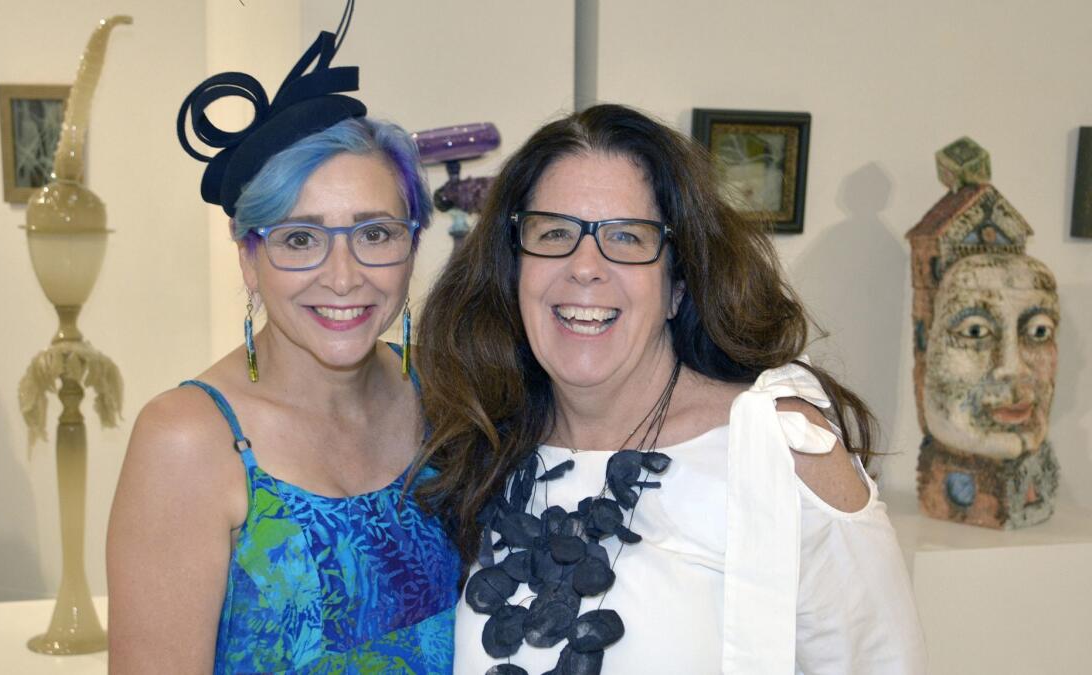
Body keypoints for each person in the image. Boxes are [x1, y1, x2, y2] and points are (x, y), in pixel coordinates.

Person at [413, 104, 927, 674]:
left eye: (627, 238)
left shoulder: (778, 450)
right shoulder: (482, 444)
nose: (585, 267)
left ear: (678, 286)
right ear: (514, 271)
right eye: (554, 232)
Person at [106, 26, 459, 675]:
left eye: (375, 233)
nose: (345, 275)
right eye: (300, 239)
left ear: (411, 245)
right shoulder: (188, 439)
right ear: (249, 257)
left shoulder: (444, 397)